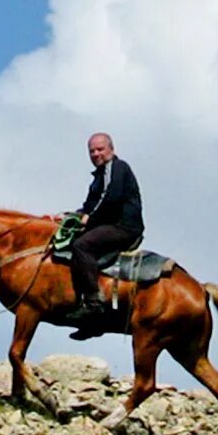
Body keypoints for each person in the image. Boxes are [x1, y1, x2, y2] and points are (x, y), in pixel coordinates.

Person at [65, 132, 142, 332]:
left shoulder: (116, 168)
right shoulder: (99, 176)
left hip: (124, 227)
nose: (96, 154)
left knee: (82, 246)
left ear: (111, 149)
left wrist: (89, 219)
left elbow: (111, 199)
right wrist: (72, 216)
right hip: (109, 225)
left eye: (100, 149)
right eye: (92, 151)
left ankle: (94, 302)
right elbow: (91, 204)